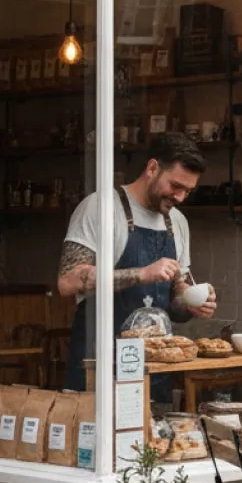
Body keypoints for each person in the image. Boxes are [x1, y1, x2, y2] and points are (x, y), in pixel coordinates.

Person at [56, 132, 216, 397]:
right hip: (100, 365)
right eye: (175, 186)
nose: (180, 197)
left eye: (187, 191)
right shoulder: (101, 207)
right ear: (152, 168)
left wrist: (191, 303)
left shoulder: (177, 222)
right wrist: (141, 274)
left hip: (154, 369)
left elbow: (176, 297)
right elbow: (68, 280)